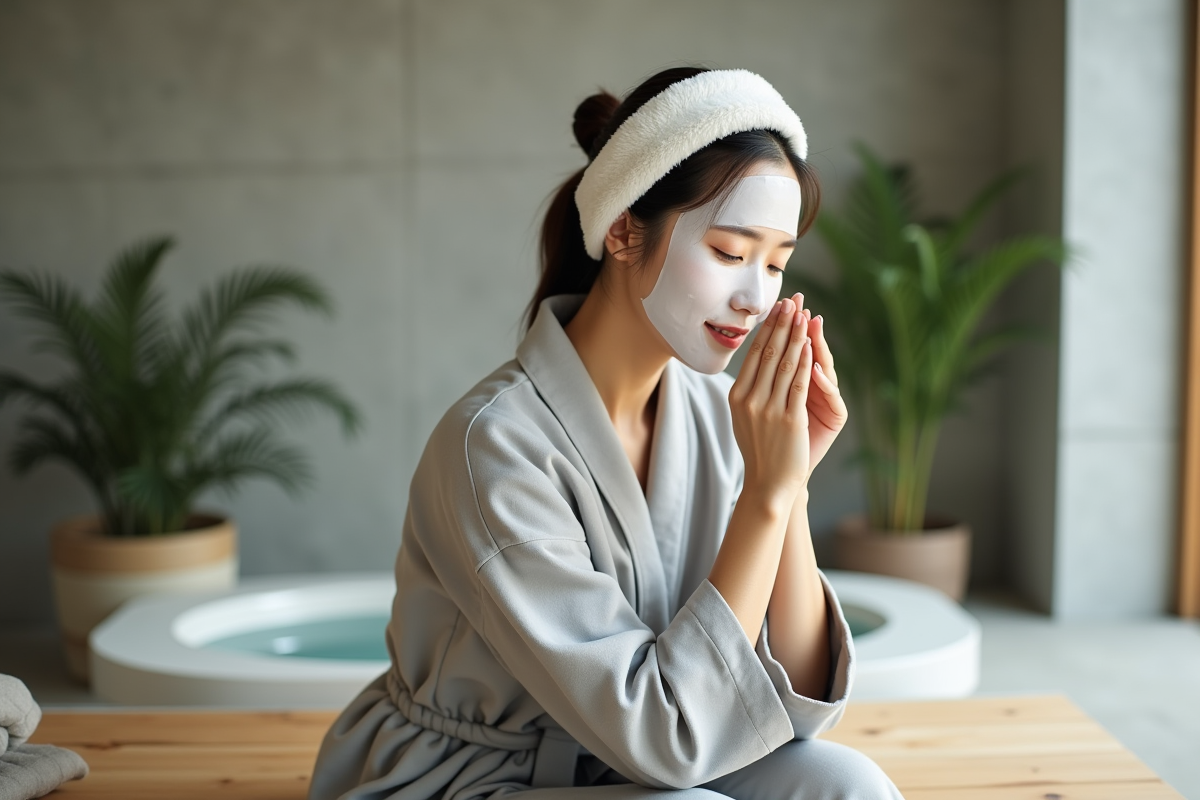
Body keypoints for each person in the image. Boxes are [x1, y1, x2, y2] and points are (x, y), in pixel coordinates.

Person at [308, 66, 905, 800]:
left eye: (777, 263)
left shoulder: (721, 415)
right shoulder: (493, 447)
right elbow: (663, 739)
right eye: (729, 252)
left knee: (849, 785)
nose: (755, 298)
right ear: (624, 231)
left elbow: (800, 704)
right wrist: (763, 499)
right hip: (472, 779)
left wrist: (788, 486)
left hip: (640, 760)